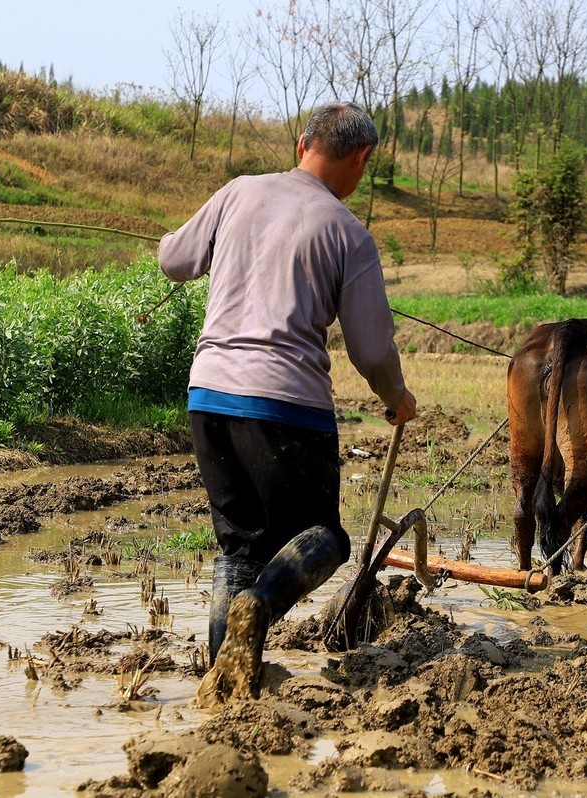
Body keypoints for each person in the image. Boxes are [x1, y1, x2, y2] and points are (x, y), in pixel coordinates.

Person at [158, 102, 417, 703]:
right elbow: (372, 349)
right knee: (325, 537)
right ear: (361, 159)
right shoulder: (349, 233)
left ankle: (225, 689)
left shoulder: (237, 193)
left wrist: (174, 237)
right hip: (285, 408)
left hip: (209, 398)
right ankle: (260, 605)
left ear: (302, 145)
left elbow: (174, 260)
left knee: (240, 546)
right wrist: (396, 396)